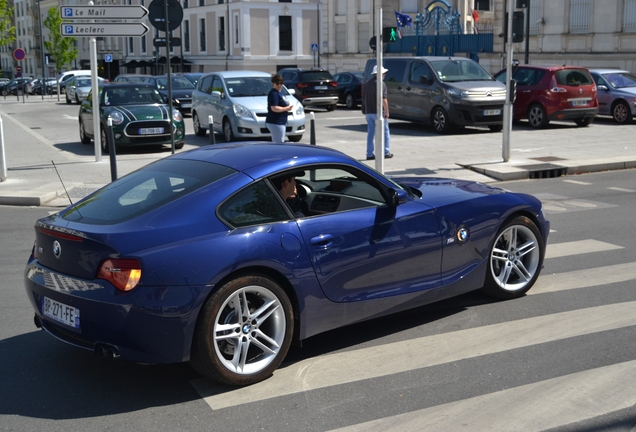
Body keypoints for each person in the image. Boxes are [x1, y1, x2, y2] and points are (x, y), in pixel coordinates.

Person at [362, 65, 393, 160]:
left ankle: (369, 154)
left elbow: (364, 98)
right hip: (379, 112)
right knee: (385, 132)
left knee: (370, 134)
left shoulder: (367, 84)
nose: (385, 75)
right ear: (380, 74)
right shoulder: (381, 84)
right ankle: (386, 152)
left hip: (369, 112)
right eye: (384, 73)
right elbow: (384, 99)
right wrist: (387, 111)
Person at [266, 74, 294, 143]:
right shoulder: (273, 93)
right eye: (277, 83)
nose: (279, 85)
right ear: (273, 83)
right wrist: (286, 109)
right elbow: (274, 108)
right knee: (278, 143)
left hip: (281, 121)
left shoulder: (281, 92)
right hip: (275, 122)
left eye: (281, 83)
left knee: (280, 142)